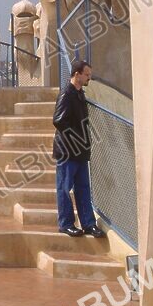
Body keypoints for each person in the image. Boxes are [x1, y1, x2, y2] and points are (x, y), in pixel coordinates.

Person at [52, 59, 105, 238]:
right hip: (68, 151)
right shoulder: (67, 94)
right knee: (64, 189)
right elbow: (58, 120)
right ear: (77, 75)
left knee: (83, 188)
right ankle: (66, 224)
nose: (89, 77)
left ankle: (88, 224)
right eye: (87, 74)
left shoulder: (79, 93)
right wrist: (75, 139)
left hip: (80, 152)